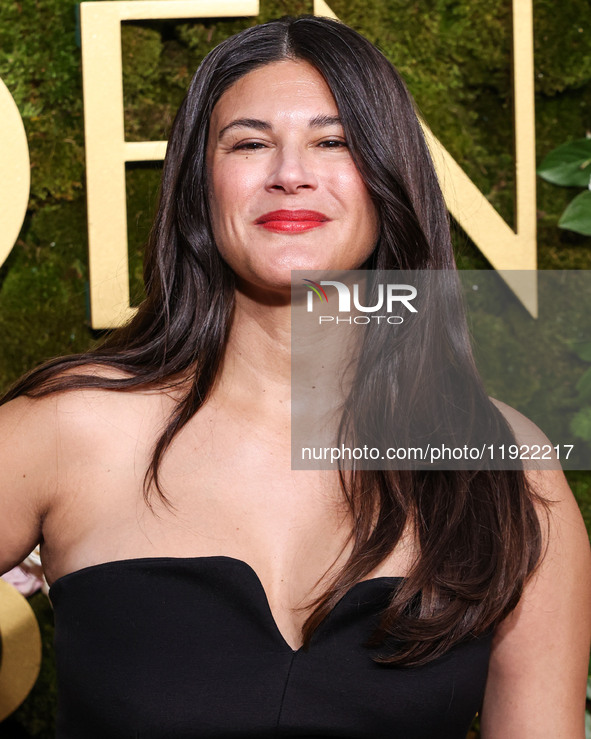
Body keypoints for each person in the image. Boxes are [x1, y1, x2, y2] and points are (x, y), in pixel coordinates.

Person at [0, 14, 589, 739]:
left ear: (389, 175)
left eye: (333, 140)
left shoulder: (506, 469)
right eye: (249, 142)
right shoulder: (69, 427)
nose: (289, 173)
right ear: (198, 183)